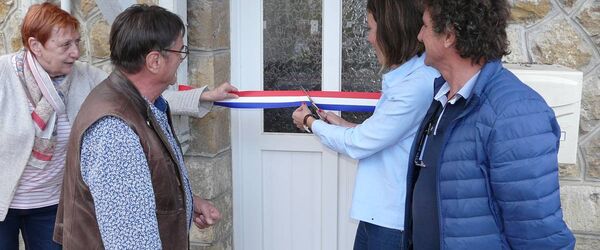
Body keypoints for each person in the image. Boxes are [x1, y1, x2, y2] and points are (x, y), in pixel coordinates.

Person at [0, 3, 235, 250]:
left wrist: (203, 96)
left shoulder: (85, 78)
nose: (76, 52)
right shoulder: (6, 76)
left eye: (77, 42)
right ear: (36, 46)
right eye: (65, 45)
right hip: (5, 200)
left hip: (49, 201)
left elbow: (141, 93)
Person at [403, 0, 576, 249]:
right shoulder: (444, 98)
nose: (419, 36)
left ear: (449, 36)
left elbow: (538, 235)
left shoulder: (514, 113)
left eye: (425, 26)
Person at [292, 1, 438, 249]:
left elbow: (361, 144)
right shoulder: (408, 79)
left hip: (392, 220)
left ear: (391, 31)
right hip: (380, 213)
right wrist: (341, 124)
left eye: (371, 29)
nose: (369, 38)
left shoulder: (414, 86)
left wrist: (310, 123)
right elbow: (385, 138)